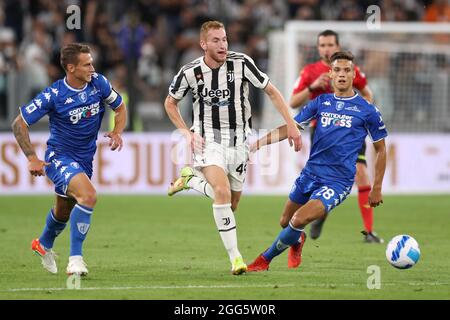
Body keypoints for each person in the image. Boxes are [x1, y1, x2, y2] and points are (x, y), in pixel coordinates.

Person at [164, 20, 301, 275]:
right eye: (216, 40)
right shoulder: (190, 72)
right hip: (208, 139)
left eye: (224, 39)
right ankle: (236, 258)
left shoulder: (242, 63)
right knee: (222, 192)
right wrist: (186, 132)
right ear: (203, 44)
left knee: (232, 203)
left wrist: (291, 124)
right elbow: (170, 103)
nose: (222, 44)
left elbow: (271, 91)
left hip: (240, 141)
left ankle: (190, 180)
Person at [247, 51, 387, 272]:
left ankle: (264, 260)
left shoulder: (367, 110)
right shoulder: (320, 102)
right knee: (285, 222)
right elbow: (291, 127)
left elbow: (381, 149)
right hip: (310, 174)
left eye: (347, 70)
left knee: (298, 219)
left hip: (337, 182)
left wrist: (376, 187)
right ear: (330, 74)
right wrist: (260, 142)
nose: (342, 74)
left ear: (353, 75)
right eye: (337, 70)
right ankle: (298, 239)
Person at [11, 43, 127, 276]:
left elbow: (120, 107)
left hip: (85, 160)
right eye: (87, 64)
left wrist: (117, 131)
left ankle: (42, 244)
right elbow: (19, 123)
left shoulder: (98, 83)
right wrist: (32, 157)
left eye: (92, 62)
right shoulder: (54, 94)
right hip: (59, 158)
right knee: (88, 195)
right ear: (71, 68)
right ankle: (76, 260)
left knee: (63, 211)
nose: (92, 68)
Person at [290, 29, 383, 243]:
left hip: (350, 129)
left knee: (361, 173)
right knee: (326, 183)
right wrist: (313, 87)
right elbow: (293, 102)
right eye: (322, 45)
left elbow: (368, 92)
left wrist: (363, 114)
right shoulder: (310, 71)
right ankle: (319, 216)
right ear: (318, 48)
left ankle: (368, 231)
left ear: (337, 46)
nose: (326, 49)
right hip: (321, 131)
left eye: (330, 45)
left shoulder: (349, 69)